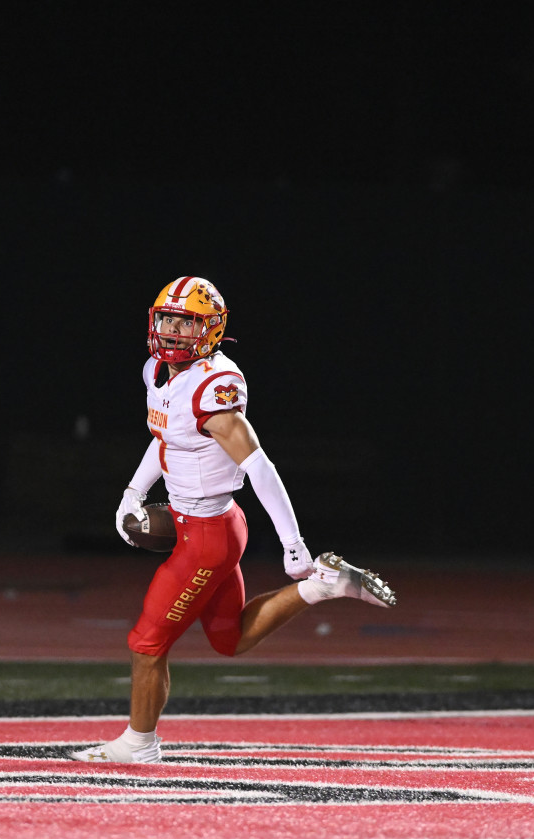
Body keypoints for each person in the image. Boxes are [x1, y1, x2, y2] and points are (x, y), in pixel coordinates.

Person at [71, 276, 396, 765]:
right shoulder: (158, 373)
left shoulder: (215, 387)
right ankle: (325, 586)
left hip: (207, 536)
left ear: (211, 330)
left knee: (147, 642)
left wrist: (292, 543)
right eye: (166, 318)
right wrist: (133, 492)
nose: (171, 330)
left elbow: (259, 467)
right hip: (203, 526)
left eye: (184, 322)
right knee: (230, 639)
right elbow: (166, 439)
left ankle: (139, 743)